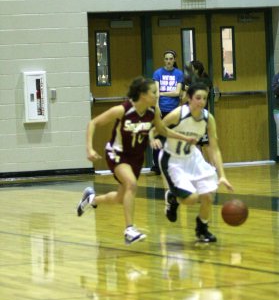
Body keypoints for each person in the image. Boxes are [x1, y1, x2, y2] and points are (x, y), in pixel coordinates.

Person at [76, 77, 197, 245]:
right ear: (142, 94)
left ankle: (91, 200)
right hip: (117, 154)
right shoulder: (122, 110)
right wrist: (89, 148)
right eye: (154, 93)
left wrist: (185, 137)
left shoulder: (152, 112)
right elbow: (93, 123)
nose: (157, 96)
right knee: (131, 184)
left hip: (136, 159)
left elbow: (162, 130)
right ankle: (129, 230)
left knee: (121, 197)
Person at [159, 83, 233, 243]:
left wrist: (222, 175)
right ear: (189, 99)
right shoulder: (179, 113)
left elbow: (214, 149)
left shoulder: (208, 118)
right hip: (172, 159)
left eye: (205, 98)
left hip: (192, 158)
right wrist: (153, 138)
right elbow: (159, 128)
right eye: (198, 98)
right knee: (191, 199)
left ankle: (202, 229)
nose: (201, 101)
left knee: (207, 196)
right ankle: (173, 197)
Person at [151, 50, 185, 174]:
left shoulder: (179, 74)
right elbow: (156, 92)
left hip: (174, 110)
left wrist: (163, 92)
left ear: (174, 60)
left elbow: (177, 92)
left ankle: (173, 166)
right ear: (164, 60)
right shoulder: (158, 73)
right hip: (161, 110)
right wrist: (157, 106)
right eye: (166, 59)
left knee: (172, 138)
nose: (169, 61)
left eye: (171, 59)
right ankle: (157, 167)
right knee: (158, 137)